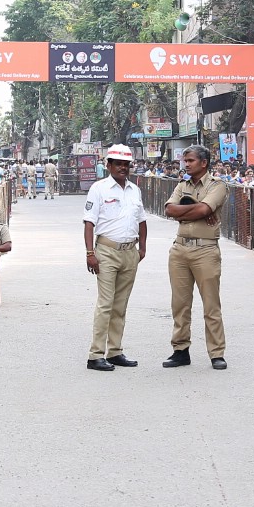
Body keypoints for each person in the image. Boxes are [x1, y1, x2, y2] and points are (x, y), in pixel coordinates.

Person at [161, 145, 229, 370]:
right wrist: (197, 211)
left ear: (204, 163)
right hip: (179, 250)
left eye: (190, 160)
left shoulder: (217, 186)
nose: (186, 164)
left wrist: (191, 212)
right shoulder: (182, 185)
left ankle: (216, 353)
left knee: (211, 305)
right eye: (185, 160)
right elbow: (170, 210)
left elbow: (203, 210)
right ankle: (180, 350)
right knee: (180, 304)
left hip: (206, 250)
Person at [84, 145, 146, 371]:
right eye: (118, 163)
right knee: (106, 304)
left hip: (130, 252)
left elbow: (141, 220)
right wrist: (90, 253)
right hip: (106, 252)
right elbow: (89, 223)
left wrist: (142, 248)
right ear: (108, 165)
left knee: (121, 305)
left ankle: (115, 351)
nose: (123, 167)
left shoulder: (134, 190)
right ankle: (95, 355)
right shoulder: (99, 189)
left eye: (126, 164)